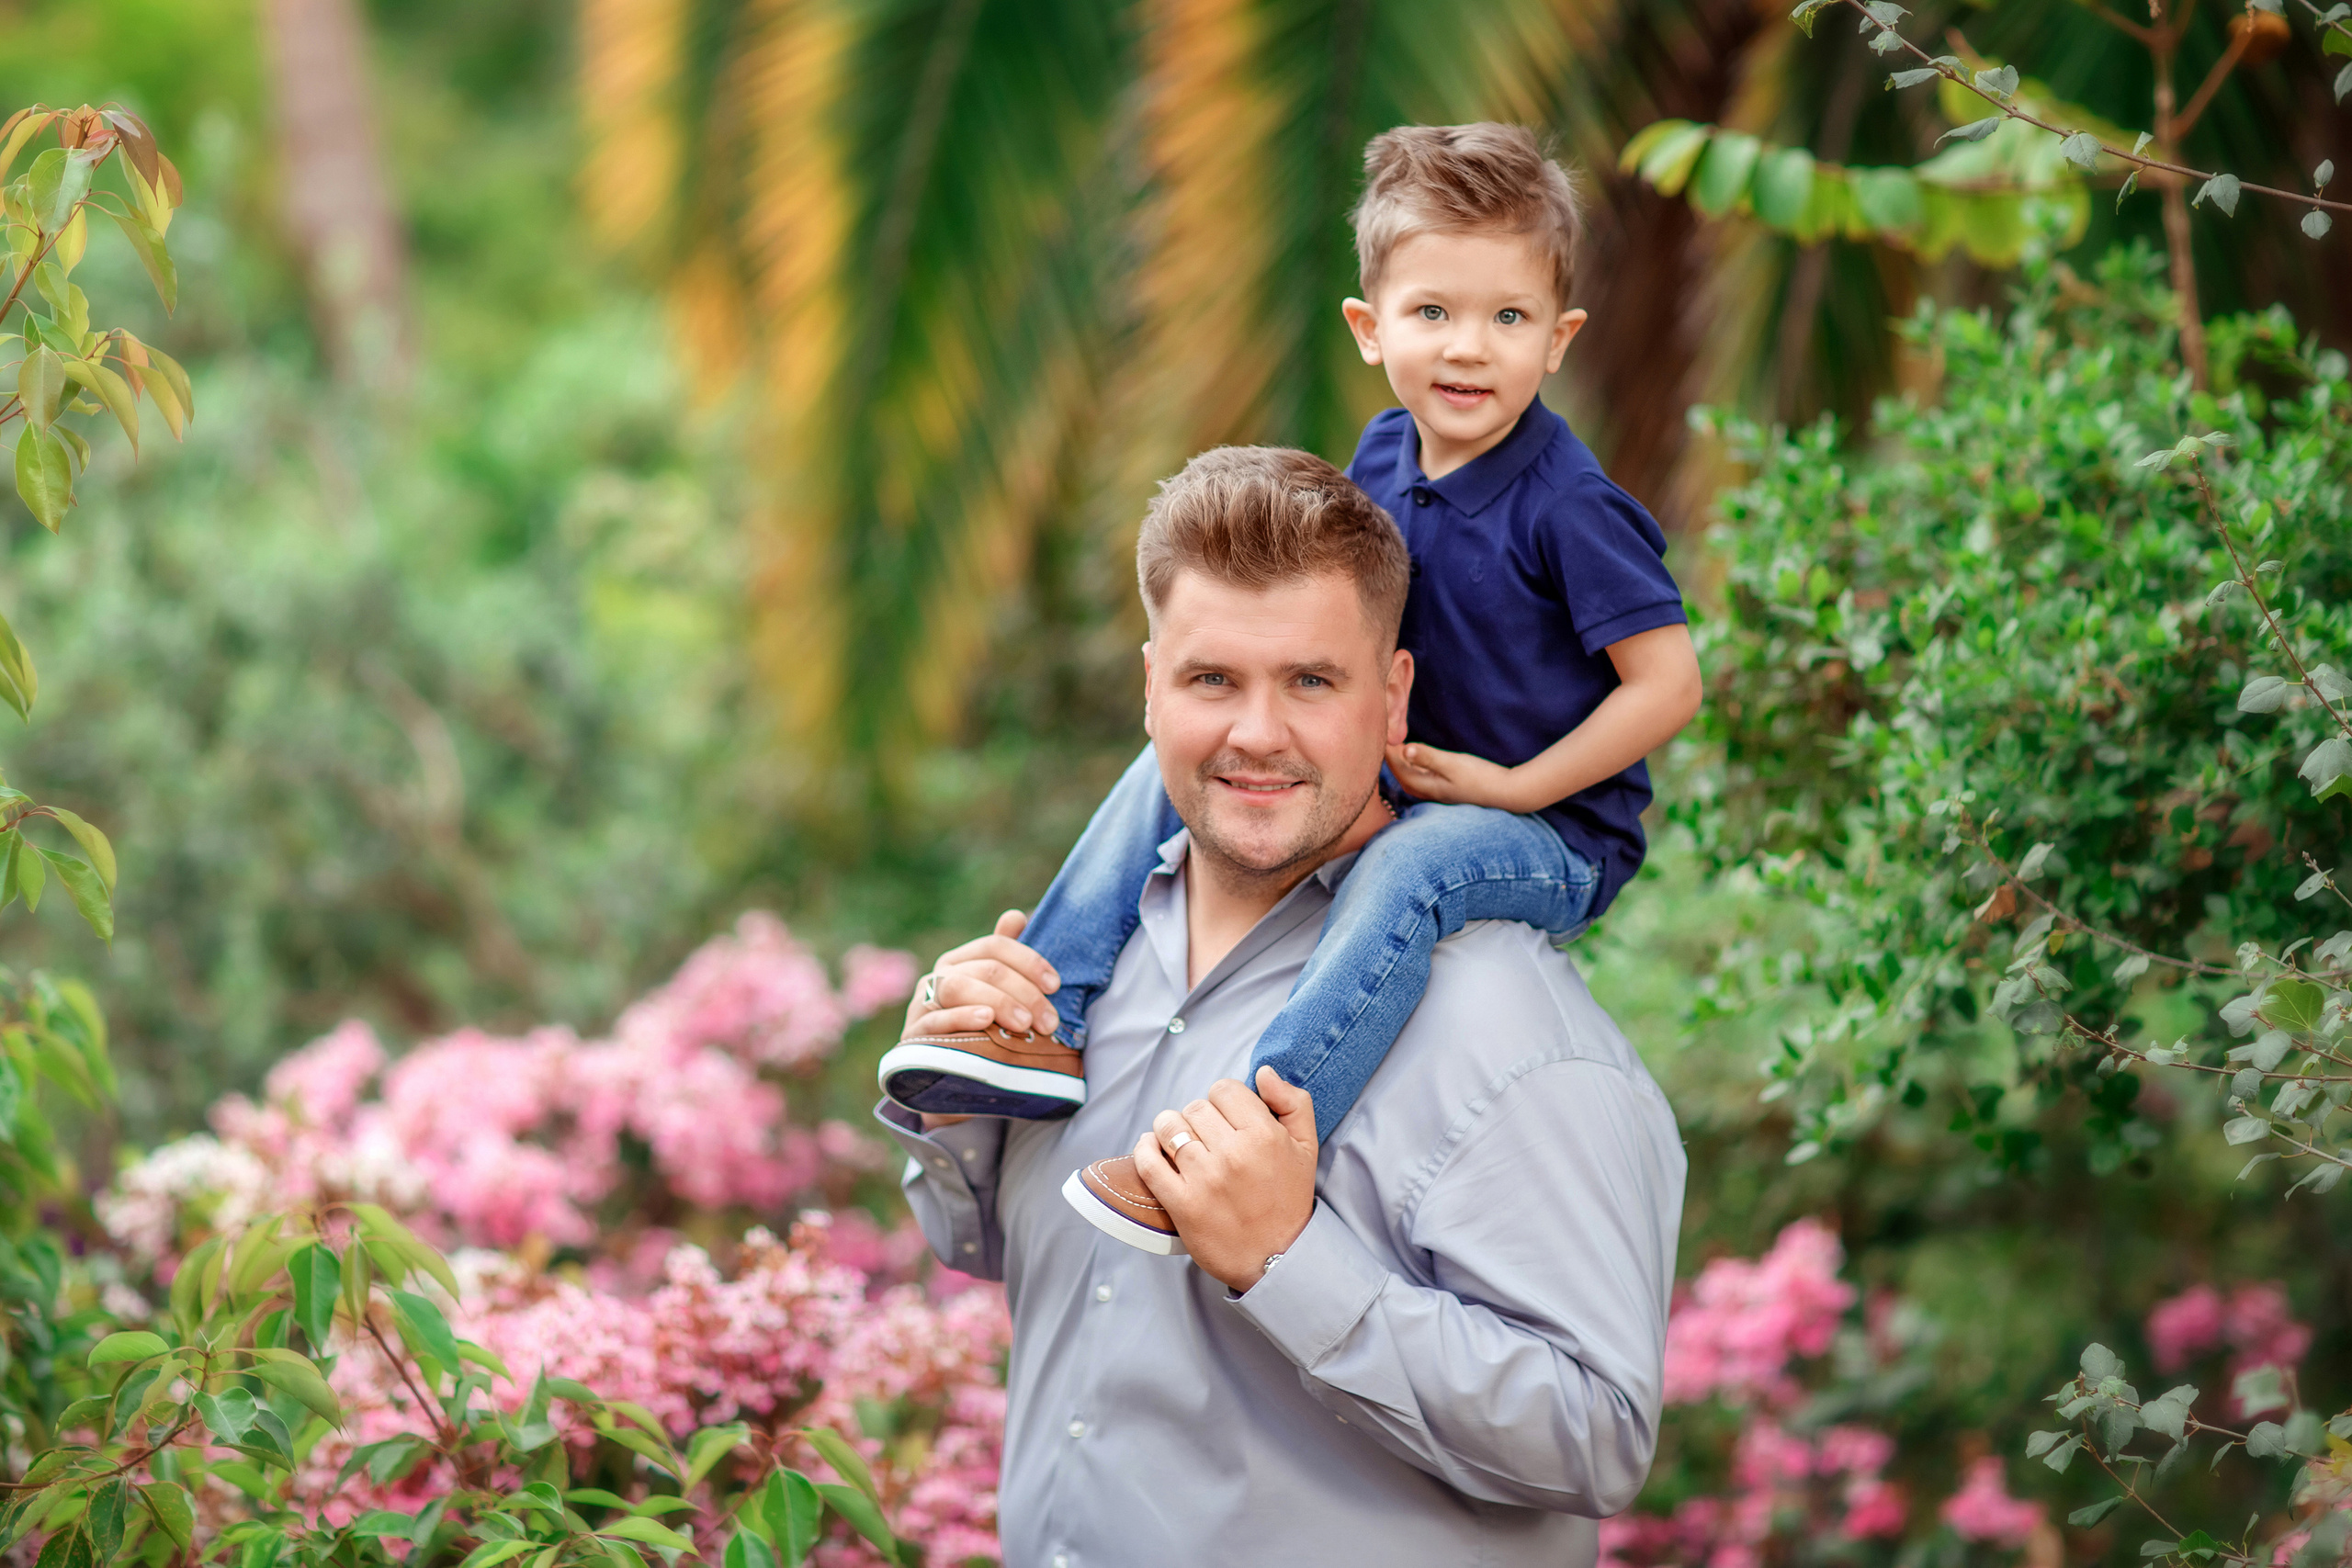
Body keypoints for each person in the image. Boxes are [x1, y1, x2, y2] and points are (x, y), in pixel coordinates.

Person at [876, 446, 1685, 1567]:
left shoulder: (1511, 1032)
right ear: (1151, 686)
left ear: (1392, 696)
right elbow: (1027, 1263)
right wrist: (958, 1099)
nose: (1257, 733)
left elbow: (1598, 1439)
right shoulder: (1094, 968)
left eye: (1310, 682)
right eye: (1213, 680)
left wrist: (1288, 1263)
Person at [876, 124, 1702, 1213]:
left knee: (1411, 870)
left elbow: (1669, 684)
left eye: (1507, 318)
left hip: (1550, 833)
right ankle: (1046, 1017)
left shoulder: (1572, 509)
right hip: (1415, 774)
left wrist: (1517, 790)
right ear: (1368, 327)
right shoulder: (1383, 454)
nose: (1467, 349)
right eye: (1432, 313)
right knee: (1167, 760)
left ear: (1558, 339)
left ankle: (1248, 1138)